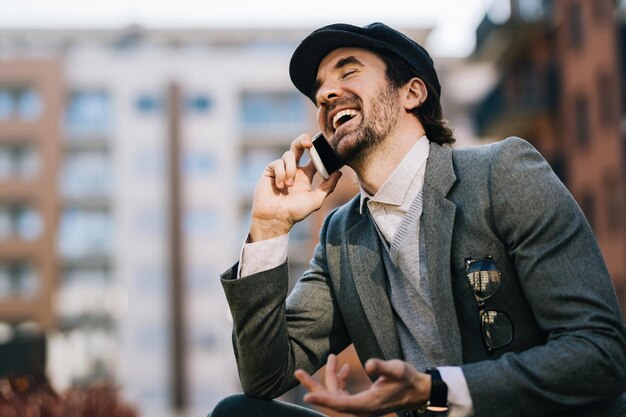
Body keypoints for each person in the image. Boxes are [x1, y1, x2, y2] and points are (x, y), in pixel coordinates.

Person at [211, 22, 626, 417]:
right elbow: (264, 377)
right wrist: (268, 229)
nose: (325, 94)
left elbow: (599, 352)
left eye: (348, 71)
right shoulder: (340, 235)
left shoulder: (502, 173)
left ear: (412, 93)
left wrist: (437, 389)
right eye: (318, 90)